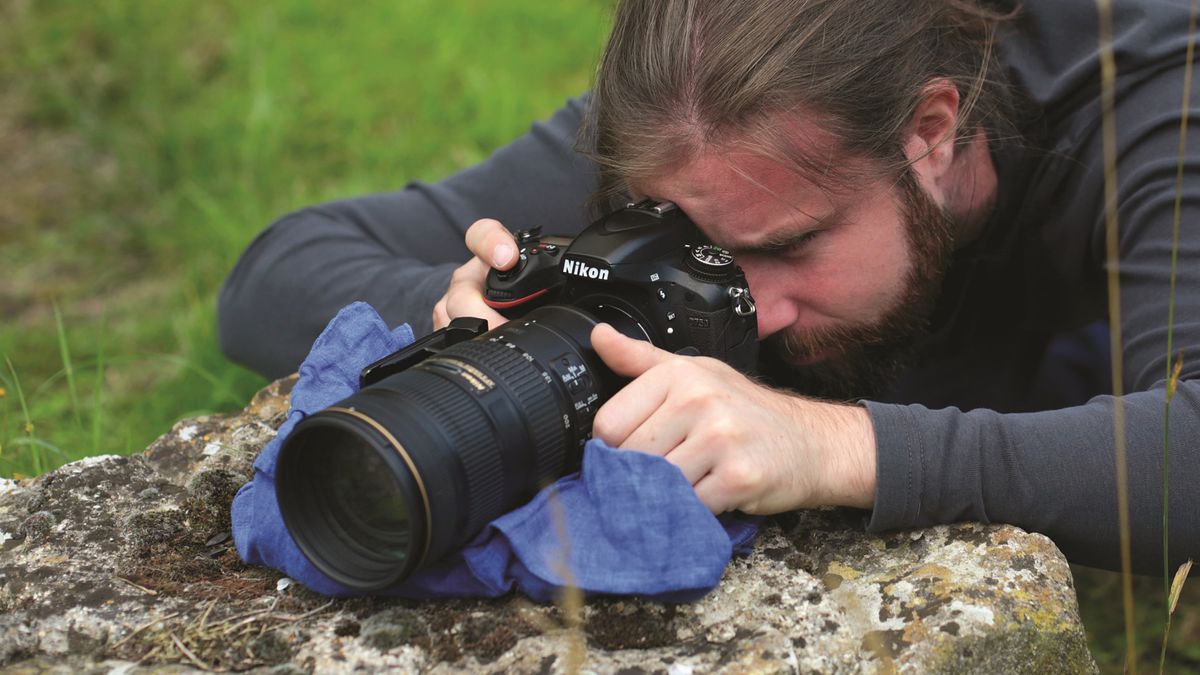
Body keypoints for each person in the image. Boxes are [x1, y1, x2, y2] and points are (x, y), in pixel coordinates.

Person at [218, 0, 1200, 575]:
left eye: (793, 243)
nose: (756, 308)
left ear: (931, 129)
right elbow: (273, 275)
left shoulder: (1163, 100)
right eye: (701, 243)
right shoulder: (703, 124)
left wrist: (831, 447)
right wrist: (492, 312)